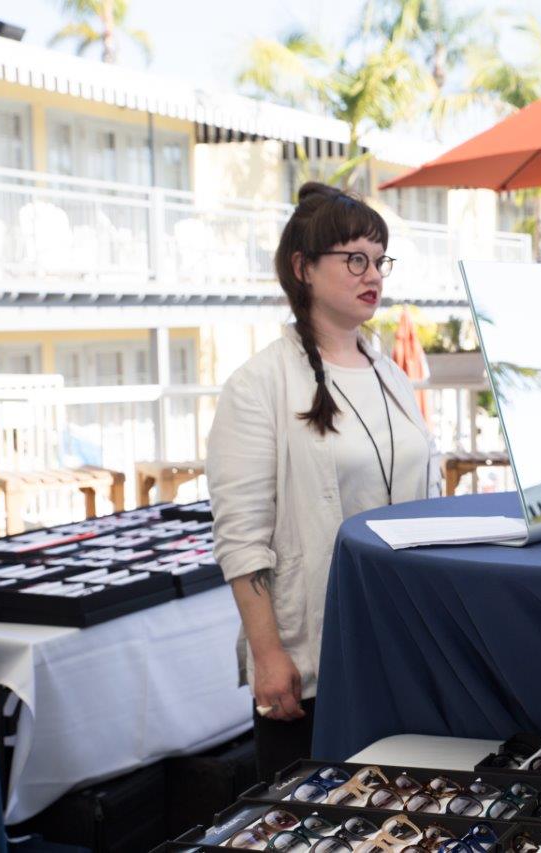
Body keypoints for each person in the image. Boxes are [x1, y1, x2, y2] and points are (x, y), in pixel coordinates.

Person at [206, 183, 442, 780]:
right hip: (317, 655)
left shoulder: (390, 372)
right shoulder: (259, 384)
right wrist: (267, 654)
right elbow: (242, 537)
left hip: (407, 645)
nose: (373, 274)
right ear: (302, 268)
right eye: (354, 258)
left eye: (379, 258)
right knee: (316, 824)